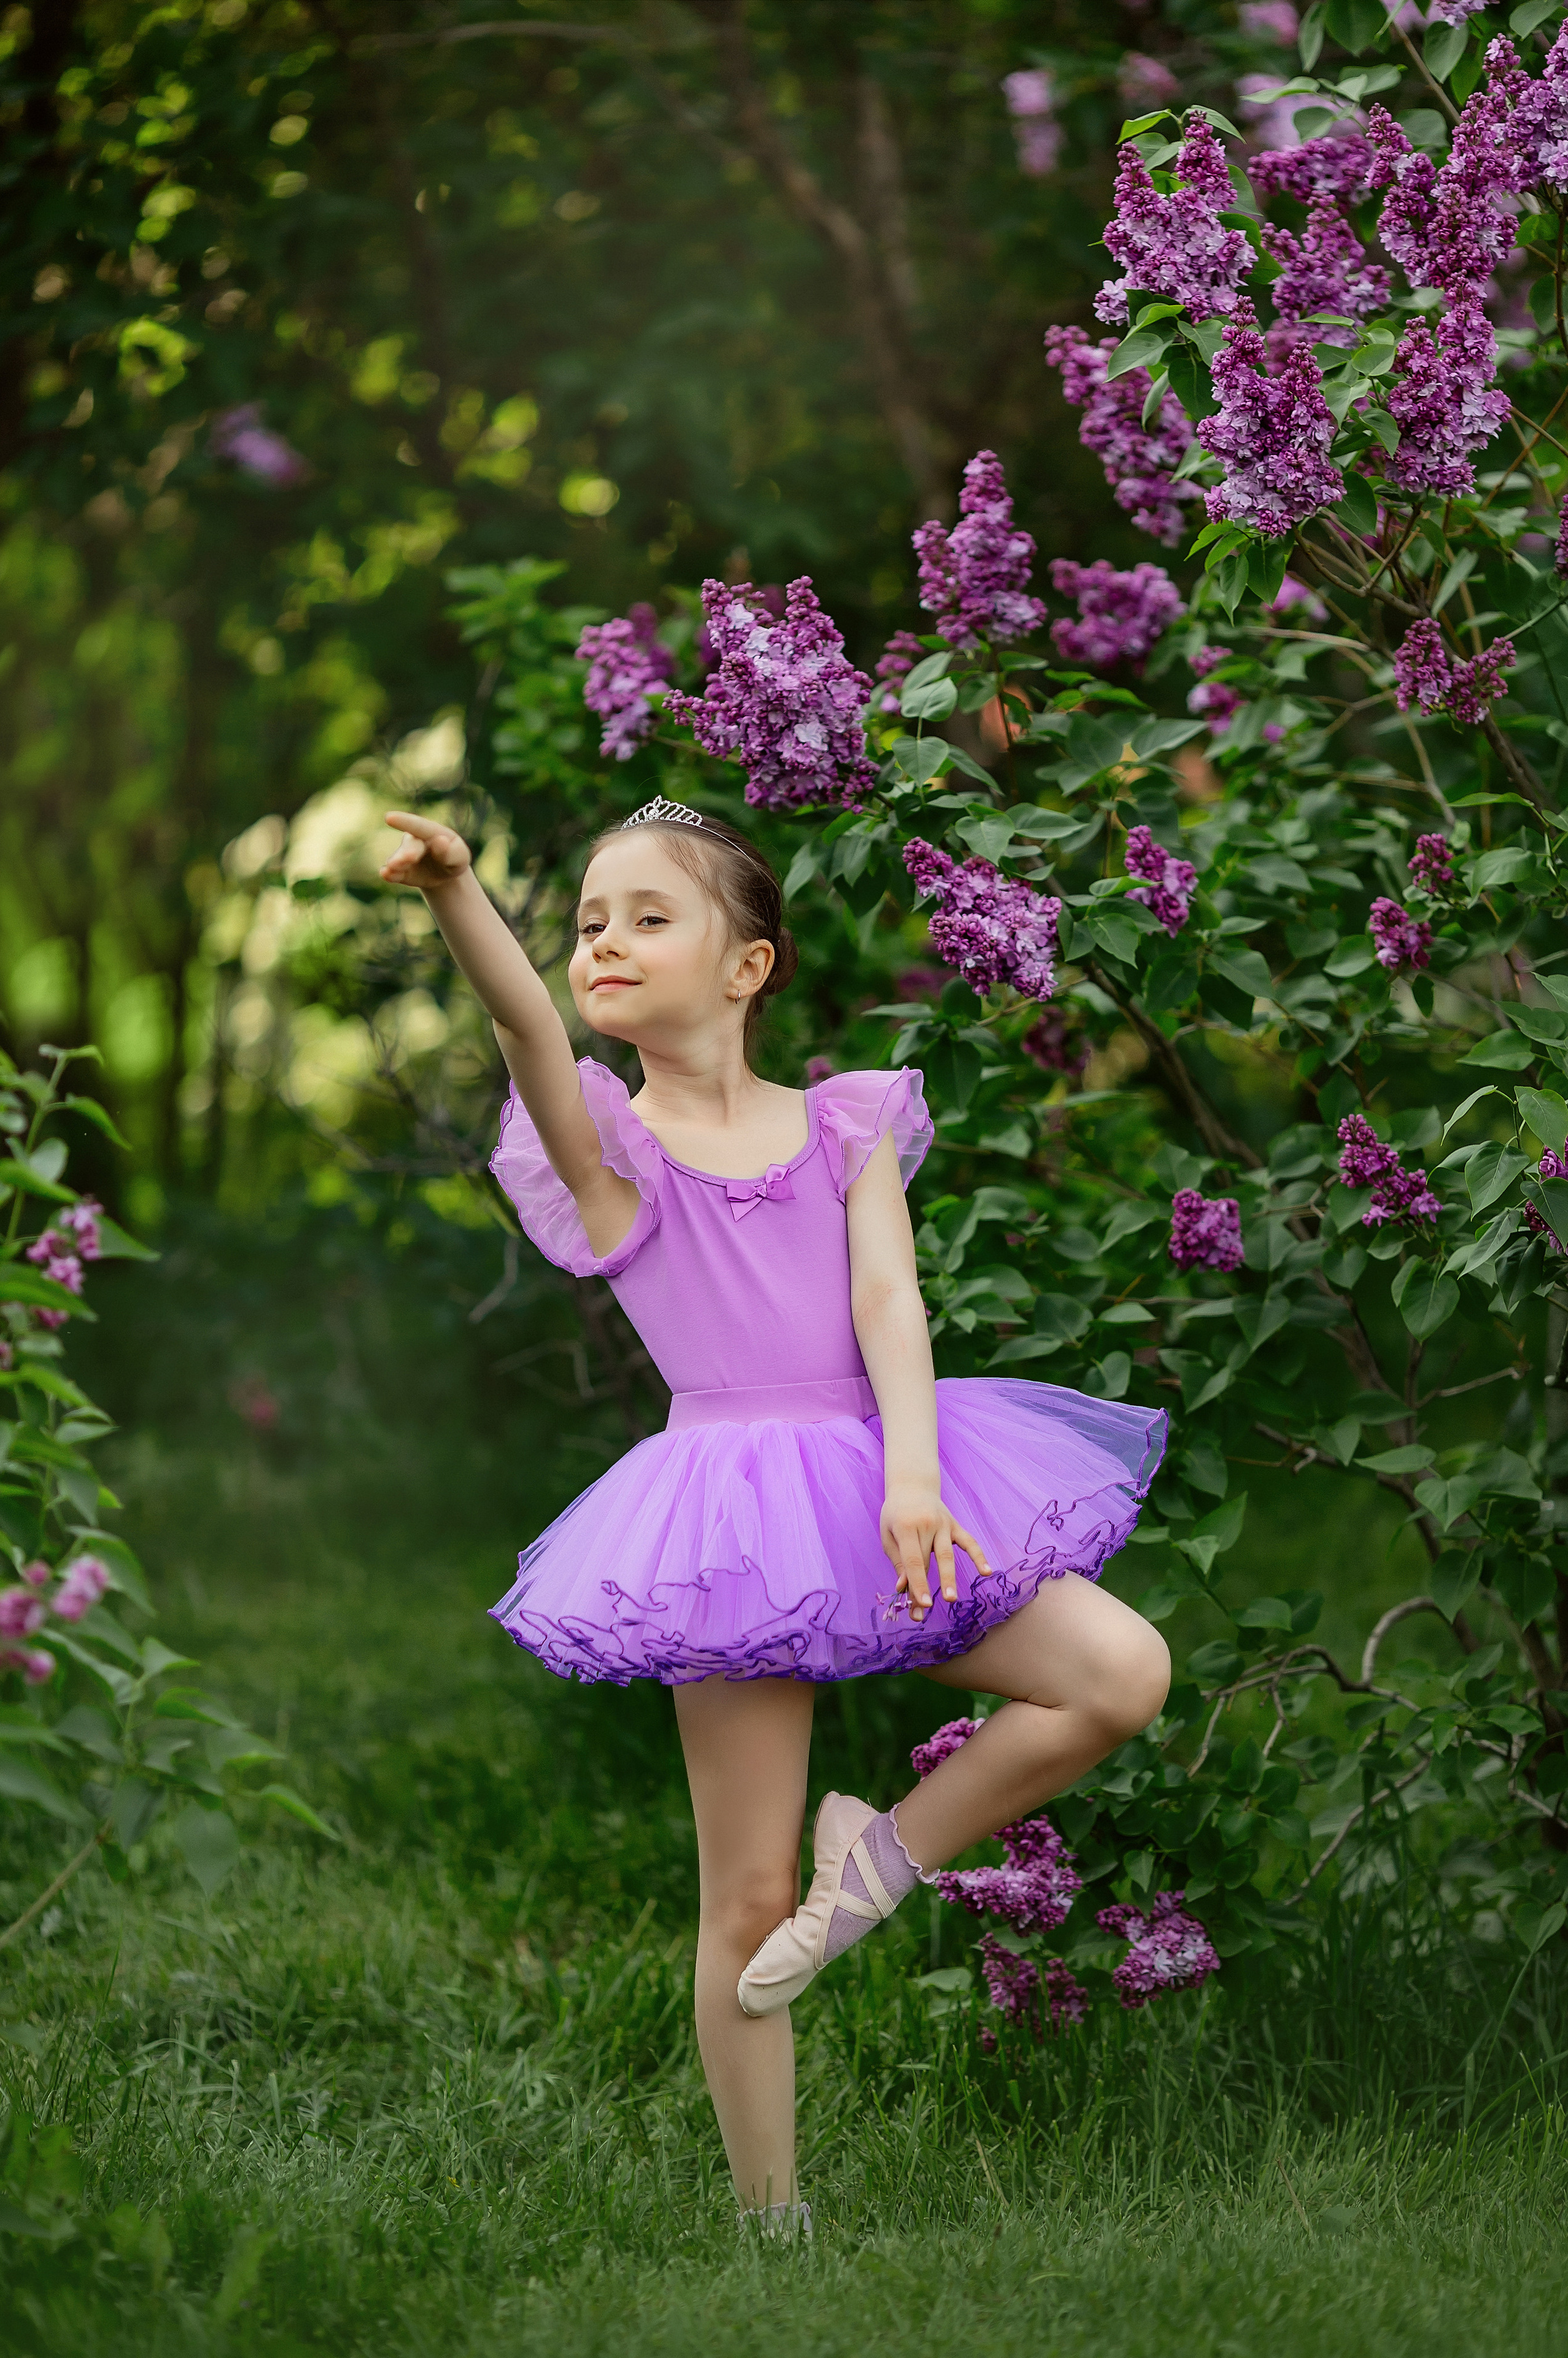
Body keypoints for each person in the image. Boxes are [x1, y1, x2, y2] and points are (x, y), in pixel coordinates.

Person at [379, 793, 1171, 2234]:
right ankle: (772, 2224)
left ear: (745, 967)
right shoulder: (614, 1158)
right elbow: (527, 1036)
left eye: (647, 916)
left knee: (1117, 1671)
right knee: (742, 1905)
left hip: (890, 1482)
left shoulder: (844, 1121)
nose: (603, 941)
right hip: (729, 1521)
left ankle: (873, 1860)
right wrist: (455, 896)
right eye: (587, 922)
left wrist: (915, 1470)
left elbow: (886, 1298)